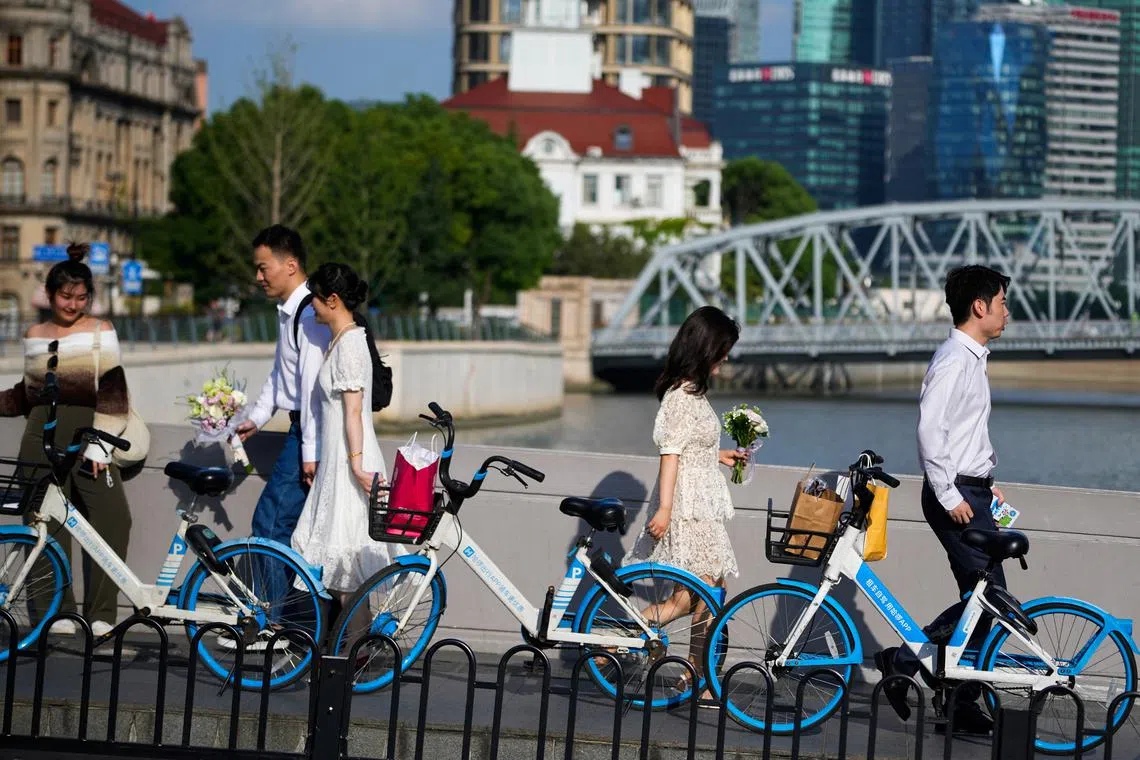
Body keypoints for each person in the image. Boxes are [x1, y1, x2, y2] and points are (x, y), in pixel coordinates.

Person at [876, 264, 1011, 736]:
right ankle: (906, 662)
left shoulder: (971, 358)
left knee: (980, 601)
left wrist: (985, 482)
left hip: (972, 489)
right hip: (953, 494)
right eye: (1001, 303)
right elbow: (930, 431)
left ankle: (957, 702)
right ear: (980, 307)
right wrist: (952, 492)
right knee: (991, 598)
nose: (1006, 313)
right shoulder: (955, 359)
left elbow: (961, 433)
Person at [0, 243, 135, 637]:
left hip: (90, 435)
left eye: (81, 297)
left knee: (113, 520)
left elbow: (114, 389)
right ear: (49, 294)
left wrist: (101, 444)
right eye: (65, 296)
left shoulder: (100, 331)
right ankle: (55, 613)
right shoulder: (34, 333)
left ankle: (102, 614)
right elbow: (28, 393)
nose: (73, 304)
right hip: (38, 435)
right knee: (41, 522)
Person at [625, 305, 749, 700]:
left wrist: (722, 455)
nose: (726, 357)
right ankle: (693, 673)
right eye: (723, 349)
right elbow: (670, 454)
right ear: (706, 347)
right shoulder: (680, 397)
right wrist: (664, 509)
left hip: (700, 503)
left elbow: (691, 448)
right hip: (686, 508)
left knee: (695, 595)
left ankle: (687, 670)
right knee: (705, 591)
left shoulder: (693, 393)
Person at [290, 263, 401, 607]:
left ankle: (353, 652)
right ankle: (348, 651)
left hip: (351, 459)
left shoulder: (351, 343)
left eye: (316, 299)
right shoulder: (342, 339)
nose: (311, 306)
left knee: (349, 561)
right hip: (340, 458)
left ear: (333, 300)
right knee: (341, 566)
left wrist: (355, 467)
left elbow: (353, 411)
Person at [235, 225, 329, 602]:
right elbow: (281, 374)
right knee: (286, 528)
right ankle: (288, 618)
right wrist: (256, 419)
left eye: (263, 268)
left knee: (271, 524)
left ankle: (274, 624)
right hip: (304, 432)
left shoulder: (308, 315)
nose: (258, 277)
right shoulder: (292, 311)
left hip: (310, 432)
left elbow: (311, 390)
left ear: (290, 265)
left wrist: (309, 452)